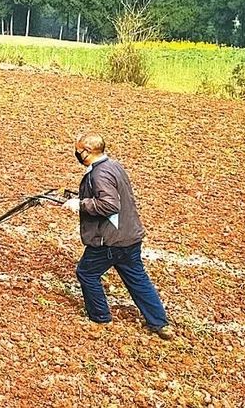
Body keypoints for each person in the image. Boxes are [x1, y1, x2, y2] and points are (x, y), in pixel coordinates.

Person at [61, 133, 173, 340]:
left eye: (78, 150)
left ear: (86, 152)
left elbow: (110, 205)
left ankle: (99, 318)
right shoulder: (113, 166)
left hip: (110, 240)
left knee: (86, 273)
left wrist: (80, 204)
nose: (76, 153)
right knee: (137, 279)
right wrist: (80, 198)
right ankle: (160, 323)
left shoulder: (99, 175)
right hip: (129, 235)